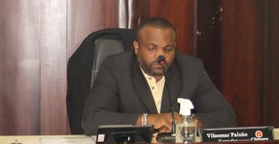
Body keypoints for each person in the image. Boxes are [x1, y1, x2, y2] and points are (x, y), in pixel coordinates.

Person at [81, 17, 236, 135]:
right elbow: (92, 120)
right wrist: (148, 120)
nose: (161, 56)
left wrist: (188, 122)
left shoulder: (191, 69)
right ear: (136, 47)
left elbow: (226, 116)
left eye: (168, 49)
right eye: (151, 48)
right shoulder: (116, 68)